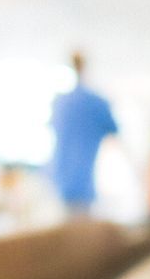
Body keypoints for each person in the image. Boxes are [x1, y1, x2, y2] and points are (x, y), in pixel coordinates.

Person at [49, 52, 118, 213]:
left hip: (60, 183)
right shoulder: (96, 102)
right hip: (83, 186)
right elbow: (115, 134)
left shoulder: (60, 103)